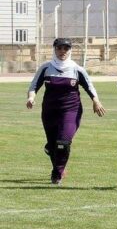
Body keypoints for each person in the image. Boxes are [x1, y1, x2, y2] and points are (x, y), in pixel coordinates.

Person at [26, 38, 106, 185]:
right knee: (52, 145)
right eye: (59, 48)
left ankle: (56, 174)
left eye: (66, 48)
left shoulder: (77, 69)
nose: (62, 51)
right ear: (54, 49)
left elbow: (89, 86)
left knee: (63, 142)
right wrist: (31, 98)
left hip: (71, 109)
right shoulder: (46, 67)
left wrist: (96, 100)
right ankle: (56, 160)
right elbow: (34, 86)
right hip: (50, 111)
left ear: (70, 51)